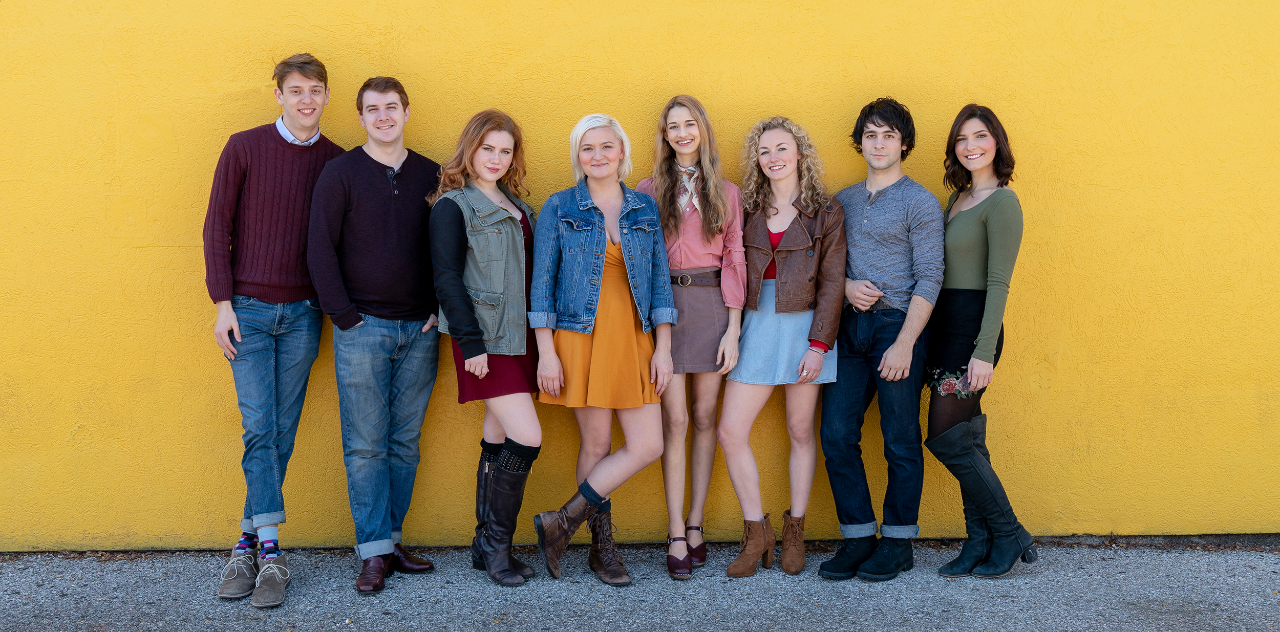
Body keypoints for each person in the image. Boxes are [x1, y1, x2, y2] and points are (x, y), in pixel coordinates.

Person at [204, 53, 343, 608]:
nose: (306, 100)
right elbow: (217, 226)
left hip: (304, 313)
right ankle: (272, 552)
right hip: (249, 311)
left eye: (315, 90)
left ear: (326, 96)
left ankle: (245, 544)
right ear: (279, 96)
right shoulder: (244, 147)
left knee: (279, 431)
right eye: (296, 90)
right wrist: (223, 304)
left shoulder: (335, 161)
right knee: (260, 425)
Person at [307, 76, 441, 594]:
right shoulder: (340, 173)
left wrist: (438, 309)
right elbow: (319, 248)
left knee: (404, 444)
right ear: (361, 117)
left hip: (421, 330)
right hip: (362, 328)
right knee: (365, 446)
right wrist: (343, 316)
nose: (383, 116)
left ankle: (390, 541)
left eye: (391, 107)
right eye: (372, 109)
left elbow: (449, 249)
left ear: (407, 112)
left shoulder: (432, 174)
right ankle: (372, 552)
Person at [530, 114, 676, 587]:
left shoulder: (643, 207)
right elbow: (542, 286)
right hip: (580, 337)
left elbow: (659, 284)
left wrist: (663, 348)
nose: (597, 155)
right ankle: (602, 550)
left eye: (606, 146)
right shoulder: (559, 206)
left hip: (635, 337)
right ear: (578, 155)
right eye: (587, 148)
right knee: (595, 444)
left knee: (648, 444)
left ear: (622, 152)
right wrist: (546, 352)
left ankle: (562, 520)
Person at [818, 98, 945, 582]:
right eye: (870, 135)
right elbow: (827, 267)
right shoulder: (844, 201)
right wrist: (847, 287)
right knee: (836, 434)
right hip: (849, 328)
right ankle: (858, 538)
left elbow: (930, 276)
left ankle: (897, 543)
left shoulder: (920, 202)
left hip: (898, 326)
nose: (878, 143)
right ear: (860, 142)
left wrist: (906, 342)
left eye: (888, 135)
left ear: (903, 144)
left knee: (900, 438)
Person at [716, 116, 846, 577]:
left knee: (800, 430)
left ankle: (795, 532)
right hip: (755, 324)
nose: (774, 158)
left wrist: (819, 345)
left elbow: (833, 283)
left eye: (782, 149)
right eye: (764, 151)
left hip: (805, 328)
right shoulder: (747, 209)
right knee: (730, 430)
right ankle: (757, 533)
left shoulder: (826, 211)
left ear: (800, 154)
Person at [429, 109, 542, 587]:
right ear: (470, 150)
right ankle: (498, 546)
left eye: (505, 151)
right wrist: (470, 341)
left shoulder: (519, 205)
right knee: (527, 437)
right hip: (484, 339)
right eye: (487, 149)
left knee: (498, 433)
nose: (495, 158)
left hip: (521, 336)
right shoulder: (452, 206)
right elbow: (446, 277)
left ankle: (484, 543)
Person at [635, 95, 745, 580]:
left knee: (704, 417)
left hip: (713, 307)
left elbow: (736, 259)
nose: (682, 133)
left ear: (703, 130)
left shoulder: (727, 192)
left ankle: (696, 523)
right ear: (664, 135)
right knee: (674, 419)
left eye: (689, 124)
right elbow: (643, 259)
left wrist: (734, 329)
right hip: (665, 308)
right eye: (673, 126)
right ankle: (675, 529)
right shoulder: (646, 190)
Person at [923, 104, 1035, 578]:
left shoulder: (1003, 203)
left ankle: (1009, 533)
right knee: (968, 439)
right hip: (944, 327)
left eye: (980, 136)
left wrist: (983, 352)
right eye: (962, 139)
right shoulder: (958, 199)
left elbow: (998, 283)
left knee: (945, 438)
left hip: (974, 331)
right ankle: (979, 543)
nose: (970, 146)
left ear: (997, 142)